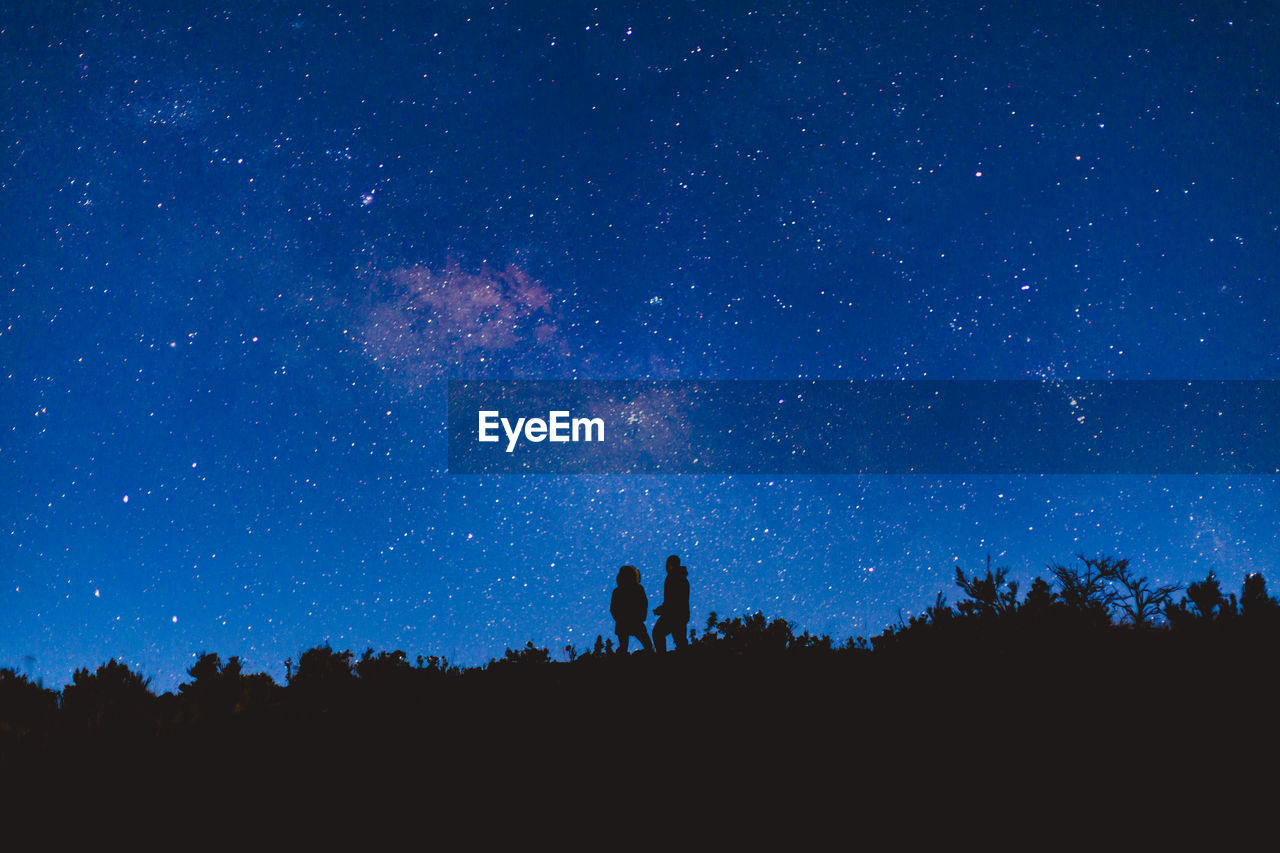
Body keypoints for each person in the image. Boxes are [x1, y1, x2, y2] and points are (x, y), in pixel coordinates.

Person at [610, 565, 653, 653]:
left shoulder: (617, 591)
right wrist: (641, 617)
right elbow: (643, 604)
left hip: (623, 622)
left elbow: (613, 608)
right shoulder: (638, 588)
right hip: (635, 621)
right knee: (647, 645)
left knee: (623, 647)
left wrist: (619, 618)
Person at [652, 555, 690, 652]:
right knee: (680, 640)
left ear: (669, 565)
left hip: (673, 614)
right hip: (682, 613)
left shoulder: (672, 577)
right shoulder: (682, 577)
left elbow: (672, 599)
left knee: (657, 633)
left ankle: (662, 659)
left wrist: (662, 610)